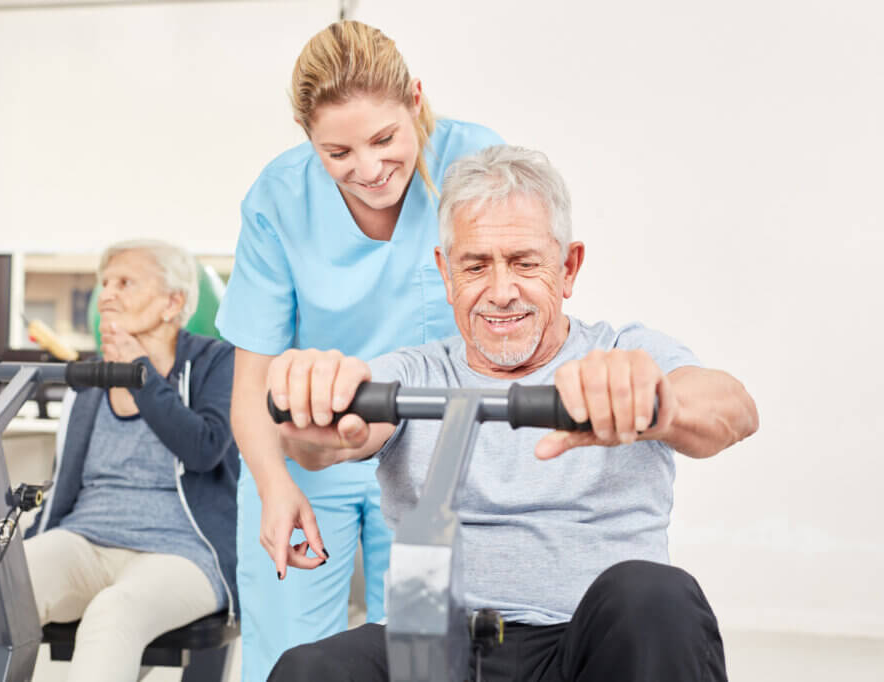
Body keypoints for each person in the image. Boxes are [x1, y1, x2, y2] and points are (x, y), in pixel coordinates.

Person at [264, 145, 760, 682]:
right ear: (446, 273)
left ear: (568, 267)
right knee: (309, 670)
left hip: (586, 648)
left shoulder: (623, 355)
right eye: (476, 266)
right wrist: (314, 408)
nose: (501, 293)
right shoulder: (414, 373)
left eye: (525, 264)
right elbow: (323, 440)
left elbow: (734, 410)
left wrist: (658, 404)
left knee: (655, 598)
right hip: (435, 648)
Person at [214, 20, 504, 681]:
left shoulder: (477, 165)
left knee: (424, 660)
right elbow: (251, 384)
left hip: (437, 459)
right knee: (286, 658)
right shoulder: (279, 198)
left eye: (384, 138)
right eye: (337, 152)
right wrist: (274, 484)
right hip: (309, 454)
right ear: (307, 137)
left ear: (416, 100)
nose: (368, 170)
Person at [0, 240, 239, 682]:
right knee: (3, 590)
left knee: (114, 610)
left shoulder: (215, 362)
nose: (107, 293)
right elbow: (63, 488)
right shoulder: (89, 377)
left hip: (184, 553)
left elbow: (204, 449)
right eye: (104, 282)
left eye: (125, 282)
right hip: (86, 540)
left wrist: (140, 370)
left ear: (173, 302)